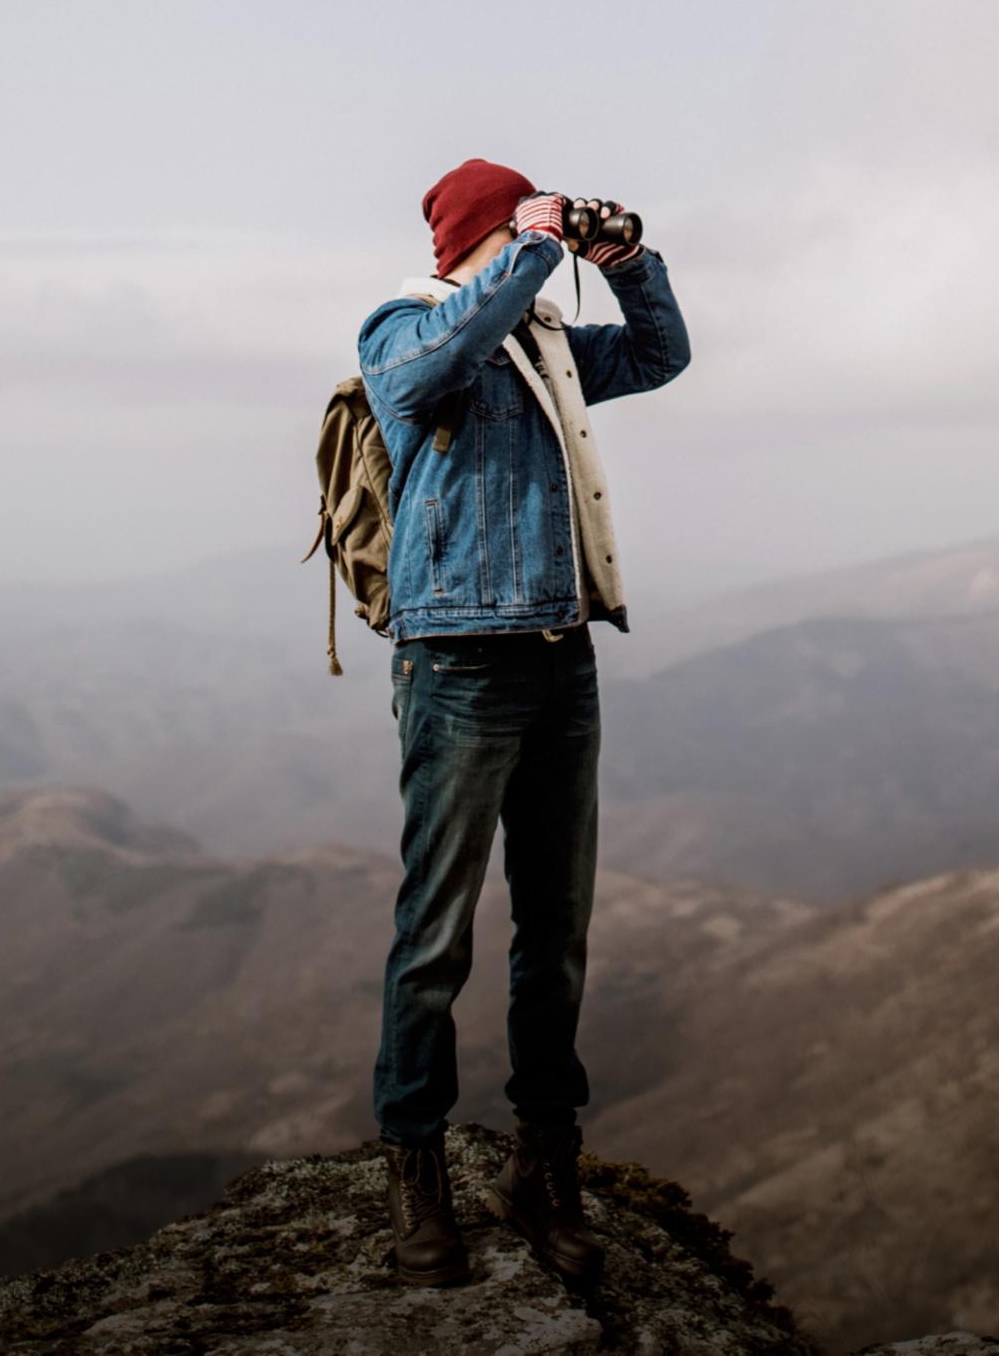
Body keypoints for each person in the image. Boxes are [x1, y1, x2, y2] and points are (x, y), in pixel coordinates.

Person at [355, 157, 691, 1286]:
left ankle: (543, 1169)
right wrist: (537, 248)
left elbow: (657, 355)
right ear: (480, 237)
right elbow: (431, 370)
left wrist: (627, 260)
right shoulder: (402, 323)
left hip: (561, 654)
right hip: (456, 660)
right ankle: (416, 1176)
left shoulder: (546, 343)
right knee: (434, 936)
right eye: (522, 226)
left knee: (554, 934)